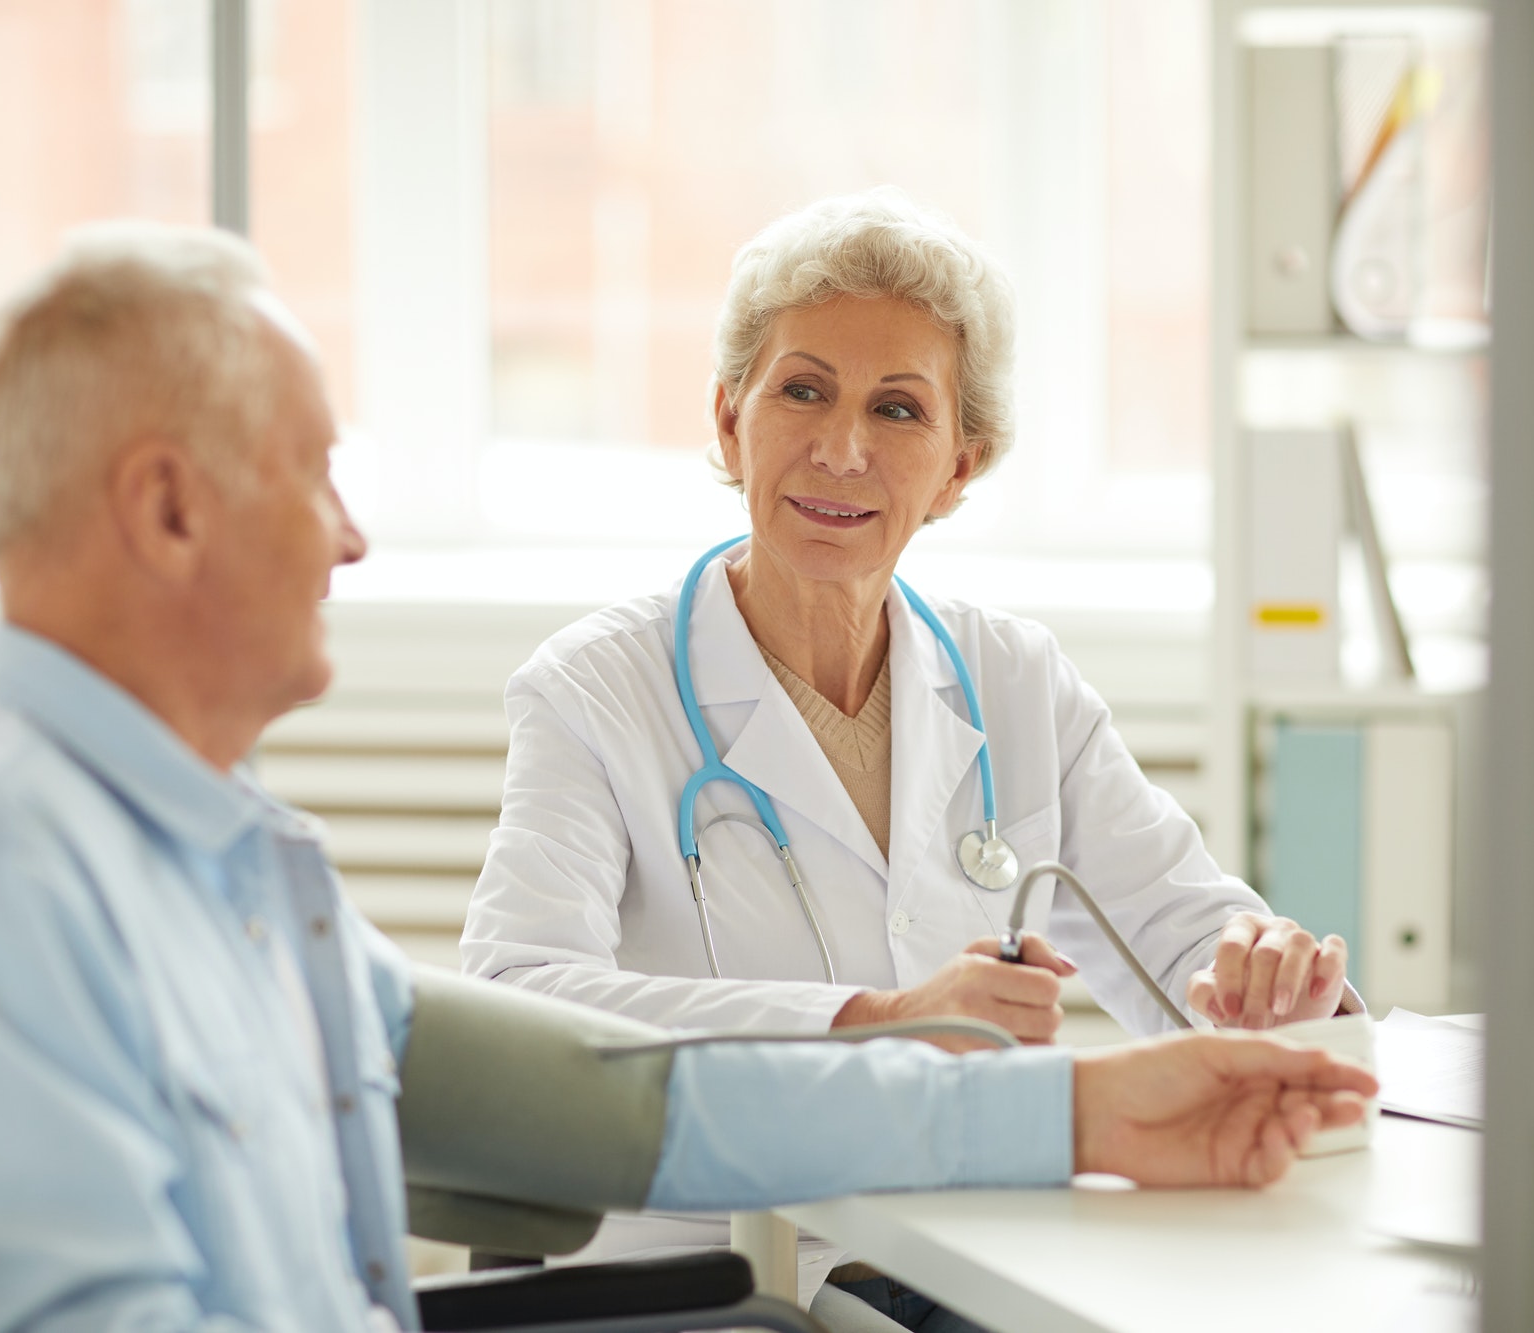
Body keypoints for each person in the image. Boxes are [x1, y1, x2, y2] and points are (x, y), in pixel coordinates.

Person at [0, 222, 1375, 1332]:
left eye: (902, 412)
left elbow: (620, 1111)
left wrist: (1088, 1114)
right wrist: (909, 1031)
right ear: (166, 510)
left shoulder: (232, 866)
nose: (352, 539)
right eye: (314, 472)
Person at [458, 189, 1366, 1320]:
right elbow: (512, 1005)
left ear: (956, 469)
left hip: (959, 1256)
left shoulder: (1015, 680)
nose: (841, 449)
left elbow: (1180, 942)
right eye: (802, 390)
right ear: (731, 419)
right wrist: (870, 1027)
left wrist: (1268, 983)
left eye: (897, 409)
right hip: (698, 1279)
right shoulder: (593, 691)